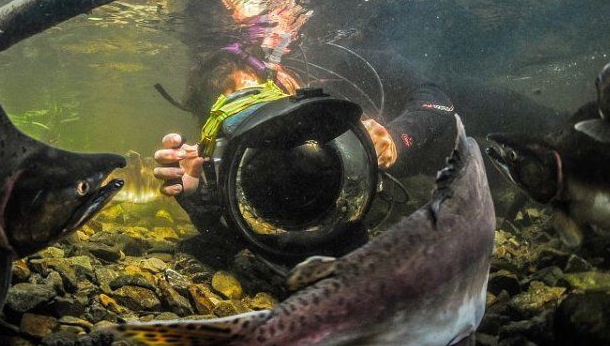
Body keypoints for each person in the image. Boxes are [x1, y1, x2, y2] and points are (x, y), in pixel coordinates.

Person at [153, 41, 458, 245]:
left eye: (263, 105)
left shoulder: (346, 65)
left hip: (446, 141)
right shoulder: (237, 156)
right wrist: (199, 197)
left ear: (282, 76)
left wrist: (395, 140)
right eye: (239, 126)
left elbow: (438, 102)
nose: (266, 134)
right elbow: (237, 239)